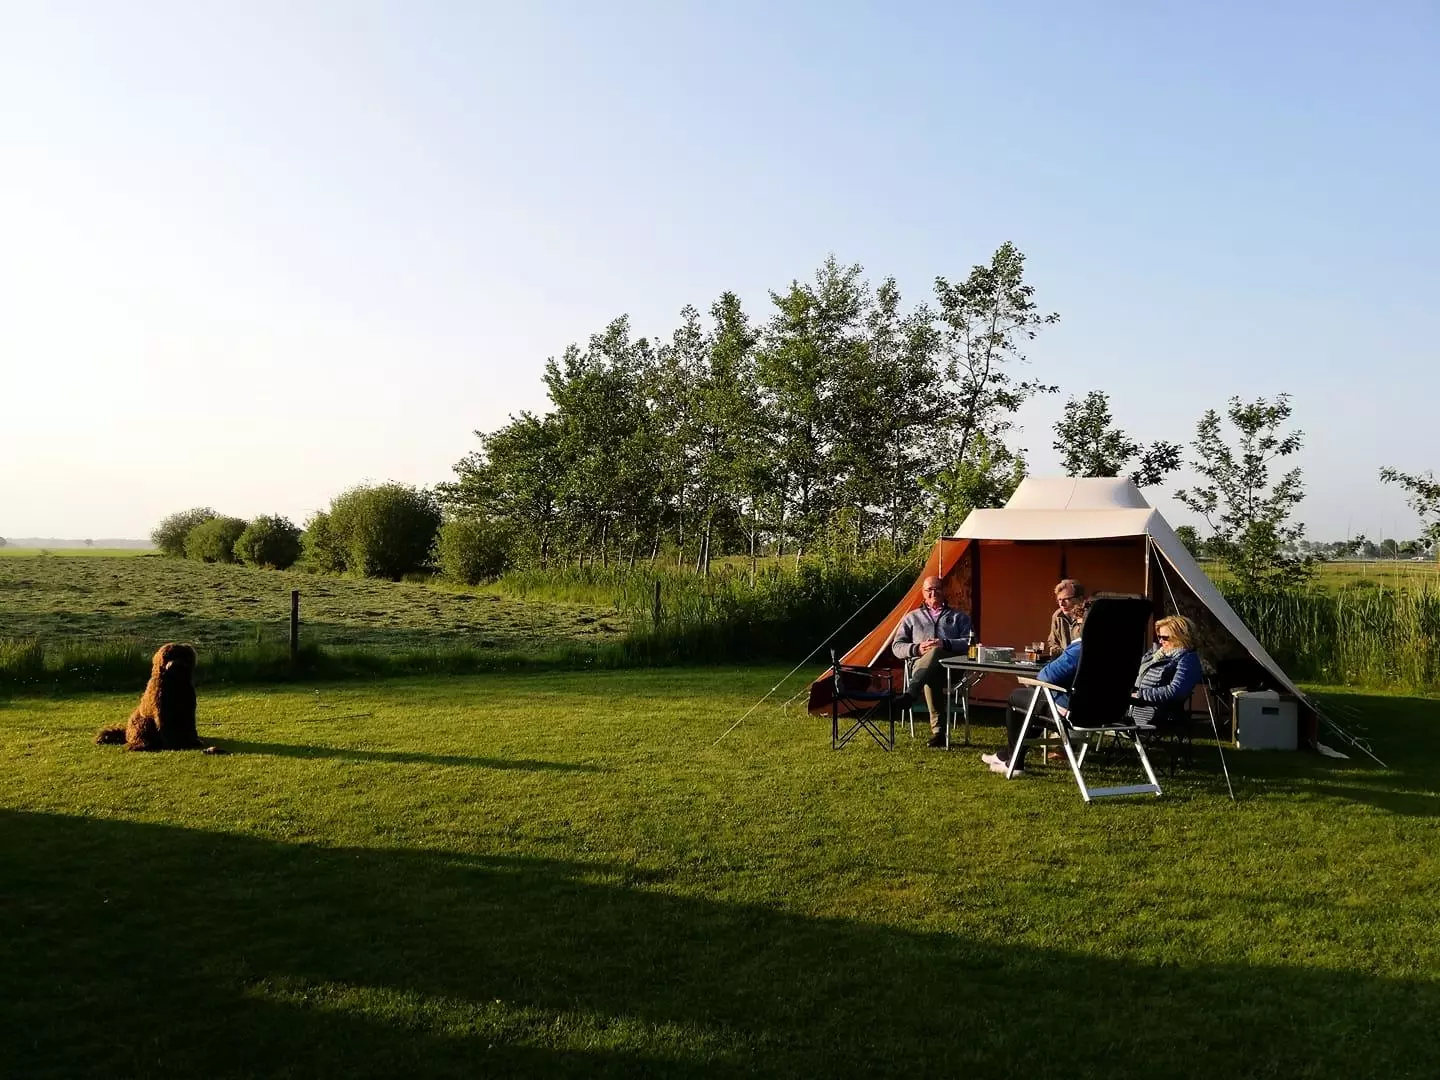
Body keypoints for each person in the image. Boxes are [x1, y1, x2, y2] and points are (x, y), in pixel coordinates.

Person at [982, 622, 1083, 777]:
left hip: (1073, 712)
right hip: (1108, 715)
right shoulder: (1118, 649)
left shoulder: (1080, 649)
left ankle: (1015, 763)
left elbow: (1045, 676)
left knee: (1017, 698)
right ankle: (1007, 755)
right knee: (1036, 705)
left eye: (1078, 623)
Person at [891, 576, 973, 747]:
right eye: (929, 590)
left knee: (935, 653)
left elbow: (971, 642)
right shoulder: (912, 617)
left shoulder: (958, 617)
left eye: (937, 589)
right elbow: (897, 647)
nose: (933, 593)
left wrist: (945, 644)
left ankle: (911, 693)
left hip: (950, 669)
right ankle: (939, 734)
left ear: (944, 592)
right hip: (921, 666)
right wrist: (917, 649)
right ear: (923, 593)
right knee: (931, 671)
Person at [1129, 615, 1203, 728]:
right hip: (1132, 709)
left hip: (1158, 715)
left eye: (1165, 637)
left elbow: (1176, 691)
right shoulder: (1156, 654)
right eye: (1159, 636)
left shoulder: (1188, 659)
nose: (1160, 641)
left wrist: (1139, 695)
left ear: (1180, 637)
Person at [1046, 579, 1086, 656]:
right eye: (1059, 600)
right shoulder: (1057, 616)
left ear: (1080, 599)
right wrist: (1058, 651)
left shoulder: (1088, 617)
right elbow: (1052, 642)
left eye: (1067, 599)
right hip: (1065, 659)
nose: (1061, 604)